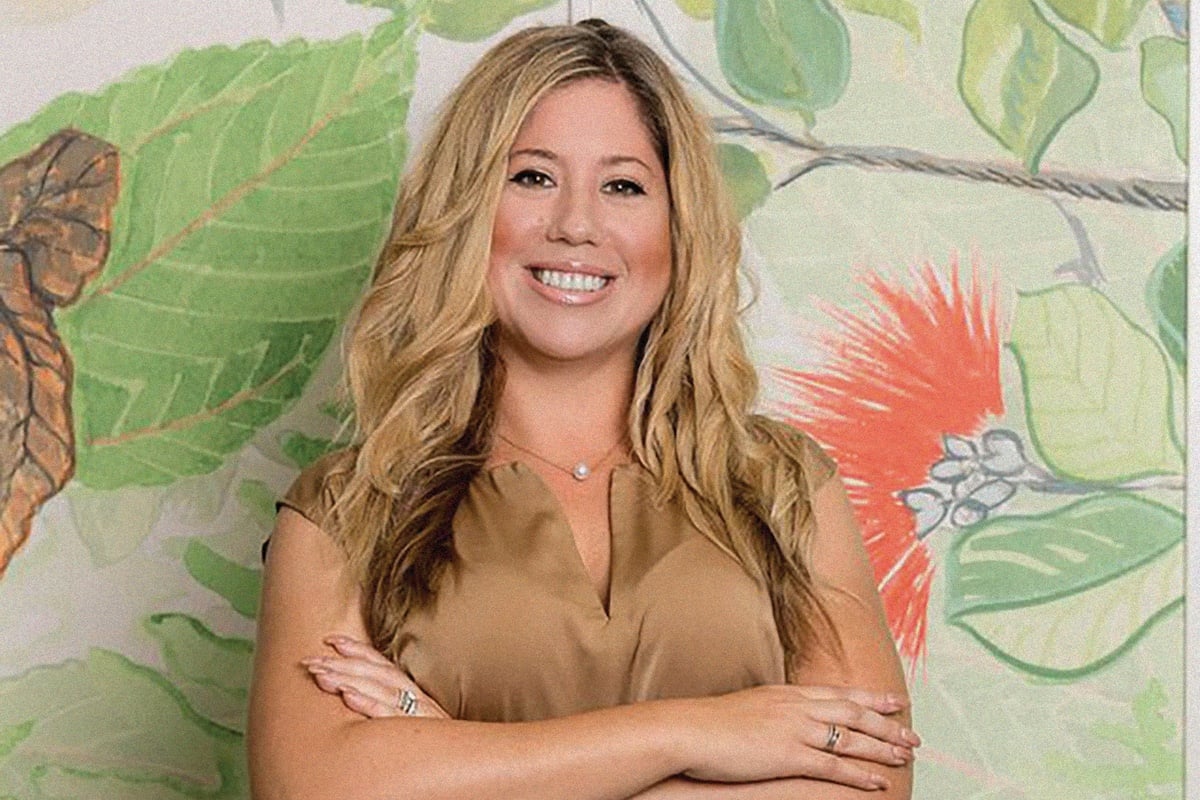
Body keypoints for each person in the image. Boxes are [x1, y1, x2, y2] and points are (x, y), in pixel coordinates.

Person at [247, 19, 916, 800]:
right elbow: (313, 788)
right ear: (468, 209)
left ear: (680, 224)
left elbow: (870, 779)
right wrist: (700, 732)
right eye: (532, 177)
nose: (575, 224)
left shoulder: (779, 483)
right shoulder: (350, 507)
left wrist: (450, 754)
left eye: (623, 186)